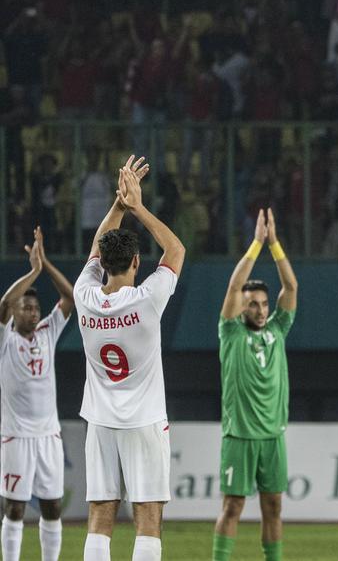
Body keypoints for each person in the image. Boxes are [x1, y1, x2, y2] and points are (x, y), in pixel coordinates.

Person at [74, 156, 185, 561]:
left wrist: (118, 207)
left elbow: (95, 247)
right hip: (144, 421)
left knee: (100, 515)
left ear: (101, 263)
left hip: (100, 421)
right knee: (148, 517)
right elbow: (175, 248)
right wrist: (136, 206)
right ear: (138, 262)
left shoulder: (83, 297)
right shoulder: (148, 299)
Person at [212, 209, 299, 561]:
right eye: (253, 305)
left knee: (273, 506)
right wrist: (256, 244)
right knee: (232, 506)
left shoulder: (279, 329)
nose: (261, 310)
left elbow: (291, 286)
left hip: (272, 436)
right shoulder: (230, 332)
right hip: (240, 435)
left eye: (264, 304)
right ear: (242, 309)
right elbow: (234, 286)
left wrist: (275, 245)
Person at [0, 227, 73, 561]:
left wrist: (46, 264)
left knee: (52, 505)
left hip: (49, 436)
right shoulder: (6, 341)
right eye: (25, 307)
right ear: (15, 314)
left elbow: (70, 298)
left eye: (35, 308)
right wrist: (32, 273)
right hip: (16, 437)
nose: (32, 312)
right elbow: (3, 303)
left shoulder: (48, 331)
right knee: (14, 507)